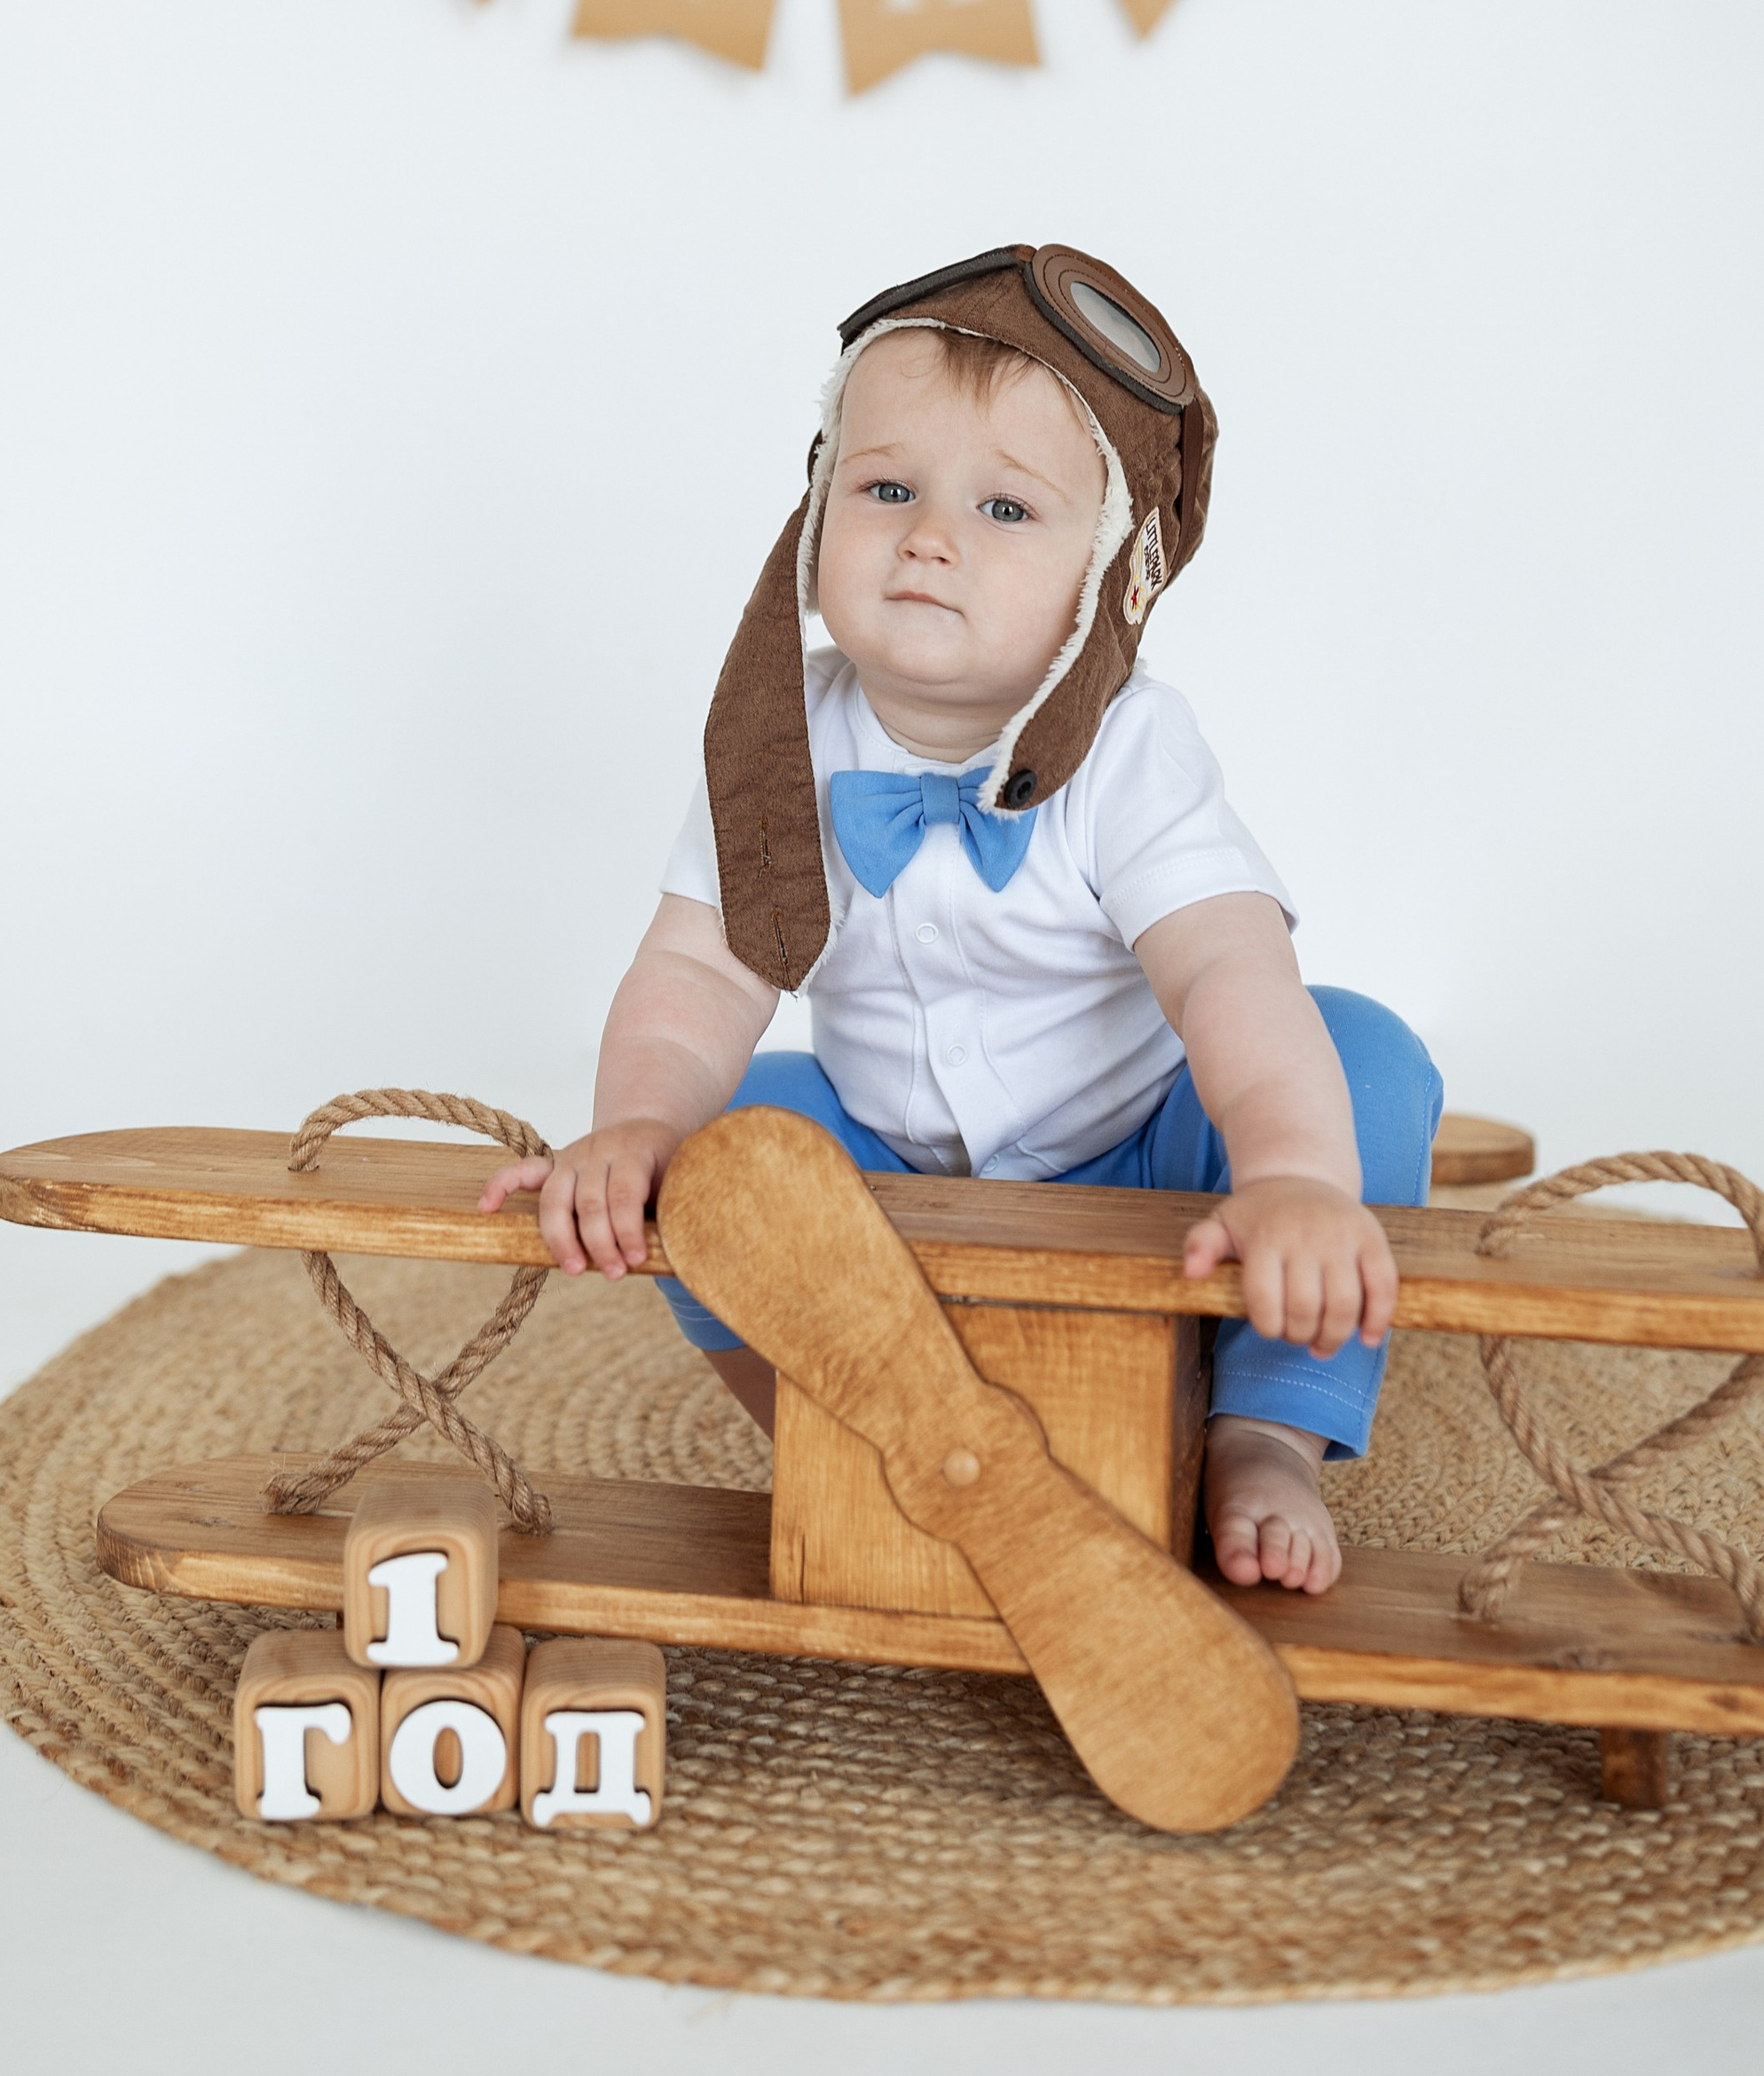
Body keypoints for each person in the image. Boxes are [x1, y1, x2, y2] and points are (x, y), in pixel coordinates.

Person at [479, 245, 1440, 1595]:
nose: (931, 536)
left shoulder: (1131, 746)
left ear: (1116, 575)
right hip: (896, 1175)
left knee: (1364, 1056)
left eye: (1005, 508)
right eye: (886, 490)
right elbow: (699, 963)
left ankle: (1267, 1426)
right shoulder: (778, 736)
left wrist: (1287, 1173)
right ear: (816, 516)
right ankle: (840, 1431)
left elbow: (1229, 968)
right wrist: (640, 1123)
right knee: (725, 1150)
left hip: (1141, 1169)